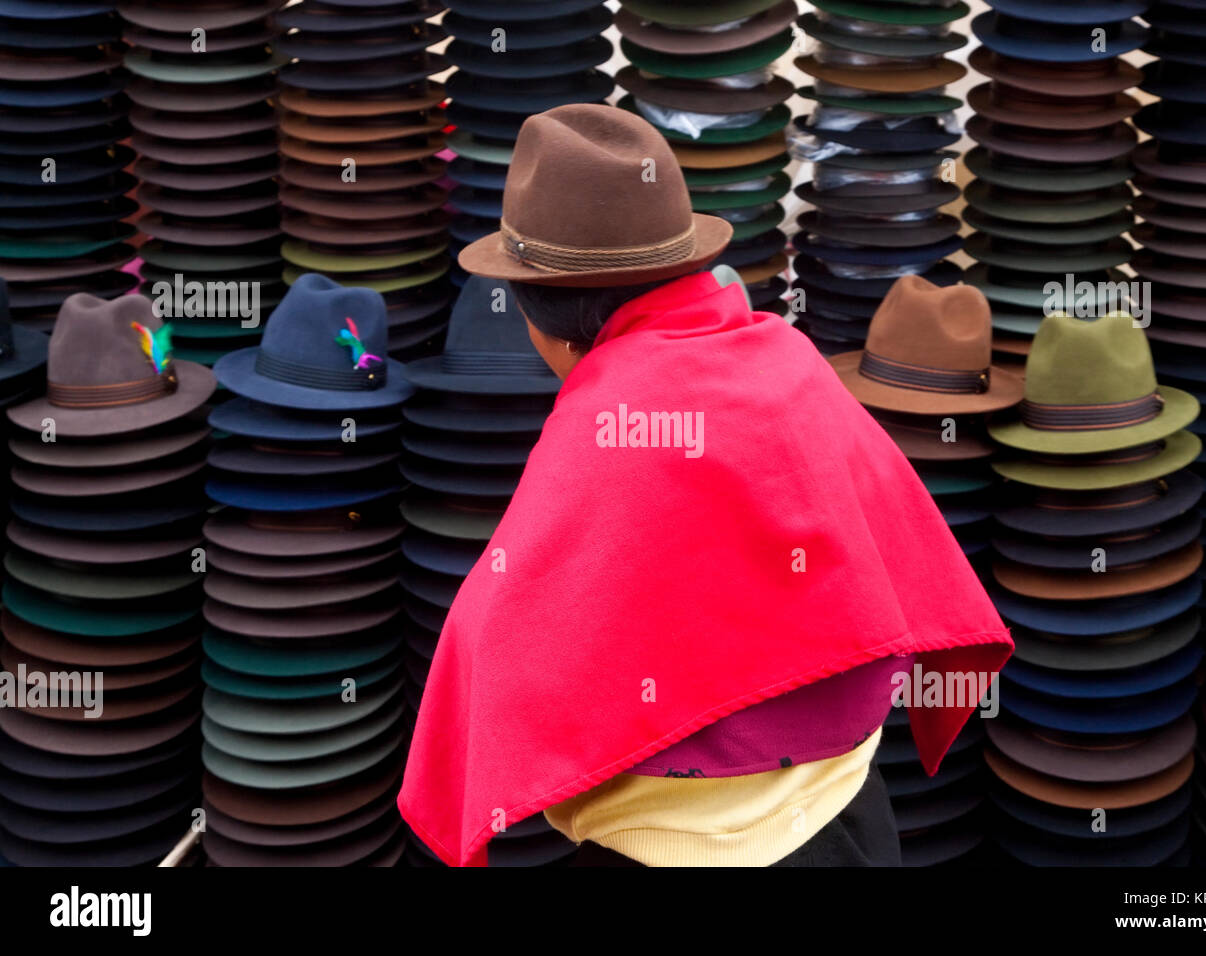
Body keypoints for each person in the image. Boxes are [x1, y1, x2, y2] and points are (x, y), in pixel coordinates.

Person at [399, 104, 1013, 867]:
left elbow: (492, 649)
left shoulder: (603, 424)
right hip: (850, 820)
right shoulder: (783, 356)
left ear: (540, 317)